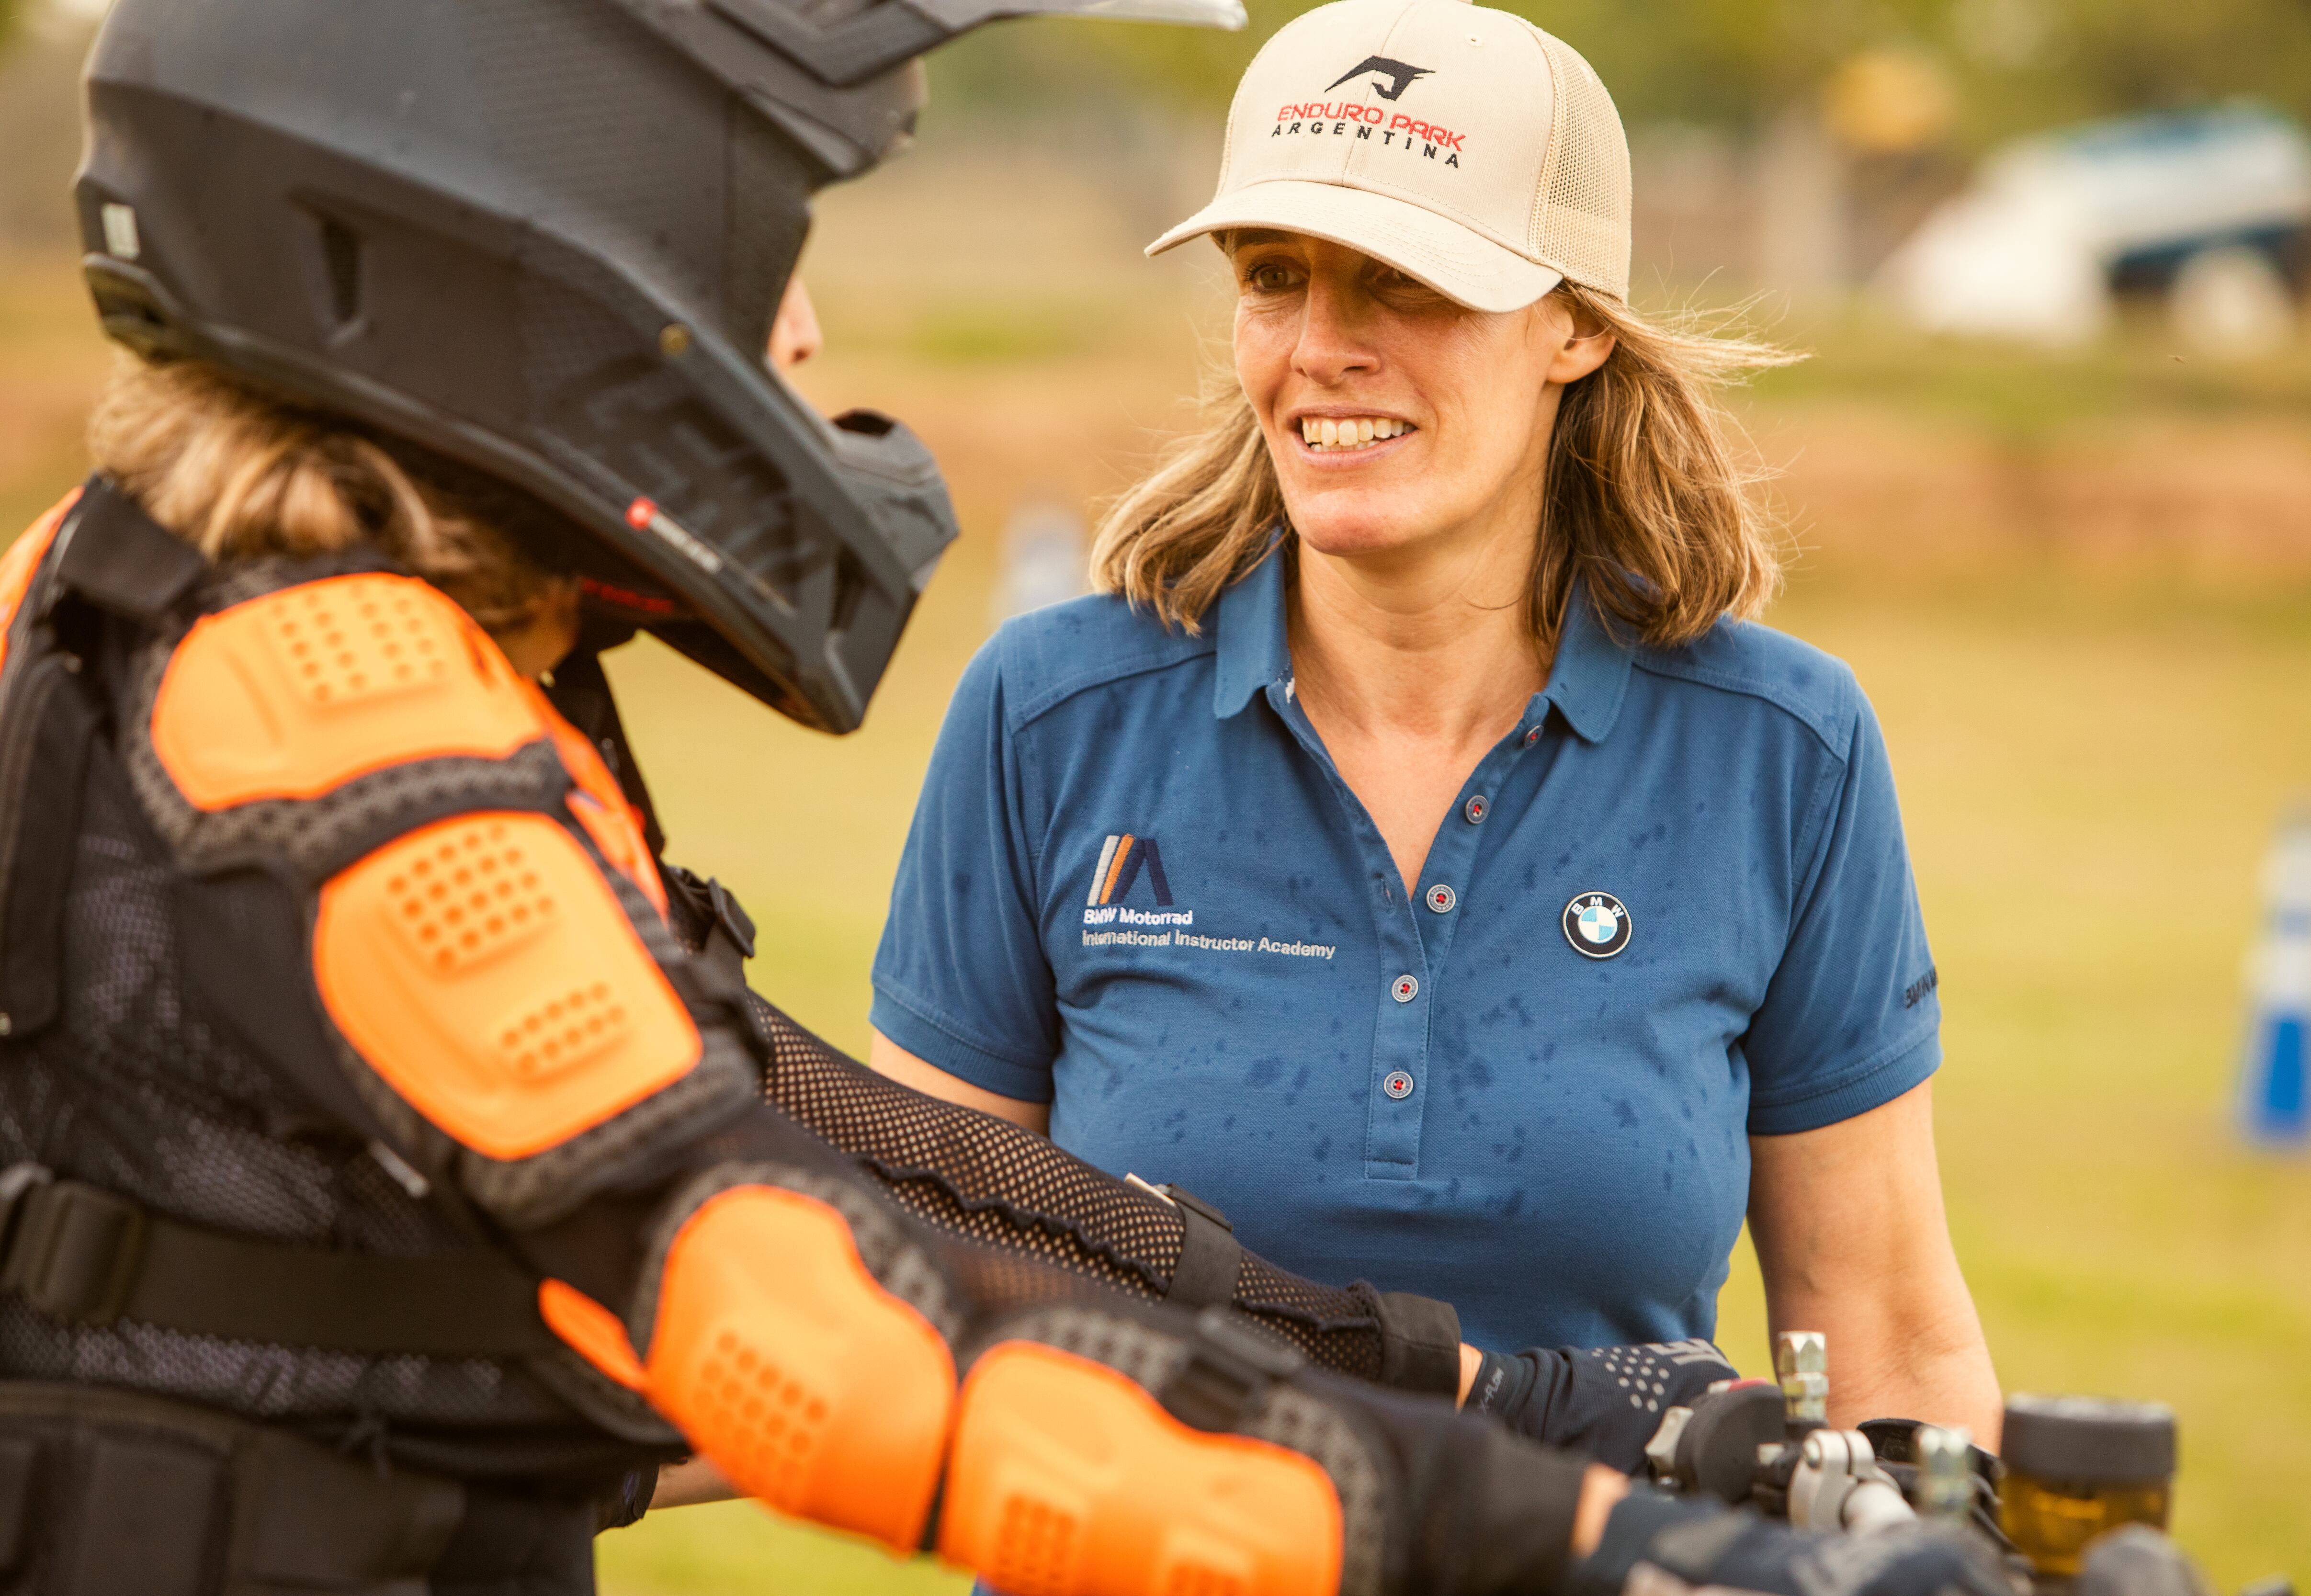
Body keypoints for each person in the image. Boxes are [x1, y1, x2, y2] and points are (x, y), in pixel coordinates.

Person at [0, 0, 2018, 1593]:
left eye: (1400, 283)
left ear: (1574, 326)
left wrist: (1533, 1397)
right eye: (755, 252)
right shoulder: (325, 726)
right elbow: (844, 1321)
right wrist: (1590, 1525)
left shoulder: (172, 617)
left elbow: (871, 1188)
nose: (799, 335)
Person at [868, 0, 2003, 1439]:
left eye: (1402, 281)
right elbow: (902, 1303)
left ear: (1574, 322)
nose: (1321, 348)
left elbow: (1888, 1347)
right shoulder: (1050, 717)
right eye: (1274, 277)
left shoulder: (1782, 750)